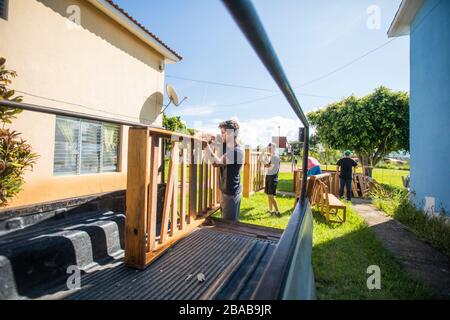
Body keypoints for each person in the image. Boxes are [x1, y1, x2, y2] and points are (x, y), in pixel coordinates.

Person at [206, 120, 243, 221]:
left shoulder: (237, 151)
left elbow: (216, 163)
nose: (221, 135)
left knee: (229, 224)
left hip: (231, 193)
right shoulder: (227, 145)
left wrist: (205, 146)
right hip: (225, 191)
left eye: (223, 133)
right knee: (226, 219)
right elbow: (212, 136)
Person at [264, 143, 281, 217]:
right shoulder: (271, 157)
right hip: (269, 177)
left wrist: (265, 164)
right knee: (269, 195)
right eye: (269, 148)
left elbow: (270, 167)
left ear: (274, 148)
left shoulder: (275, 157)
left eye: (271, 148)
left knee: (271, 195)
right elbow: (268, 166)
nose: (269, 149)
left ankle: (277, 211)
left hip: (273, 178)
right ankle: (270, 210)